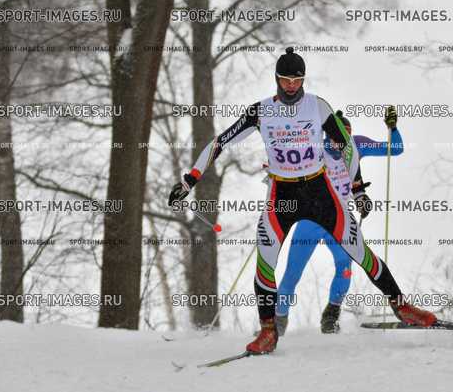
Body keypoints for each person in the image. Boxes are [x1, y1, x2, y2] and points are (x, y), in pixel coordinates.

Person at [169, 47, 436, 354]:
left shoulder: (317, 106)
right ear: (277, 79)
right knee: (265, 261)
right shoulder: (261, 111)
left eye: (297, 80)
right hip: (282, 194)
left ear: (304, 80)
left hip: (319, 191)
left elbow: (347, 147)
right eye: (286, 80)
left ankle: (402, 307)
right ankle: (268, 331)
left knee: (360, 252)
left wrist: (358, 189)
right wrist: (190, 179)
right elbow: (220, 142)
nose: (291, 86)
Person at [274, 107, 404, 335]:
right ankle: (277, 322)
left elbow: (396, 149)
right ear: (327, 134)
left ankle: (331, 316)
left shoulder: (357, 145)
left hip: (340, 218)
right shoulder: (313, 147)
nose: (340, 143)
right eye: (336, 137)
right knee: (293, 273)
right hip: (311, 220)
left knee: (345, 267)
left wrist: (392, 128)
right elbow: (286, 160)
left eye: (345, 137)